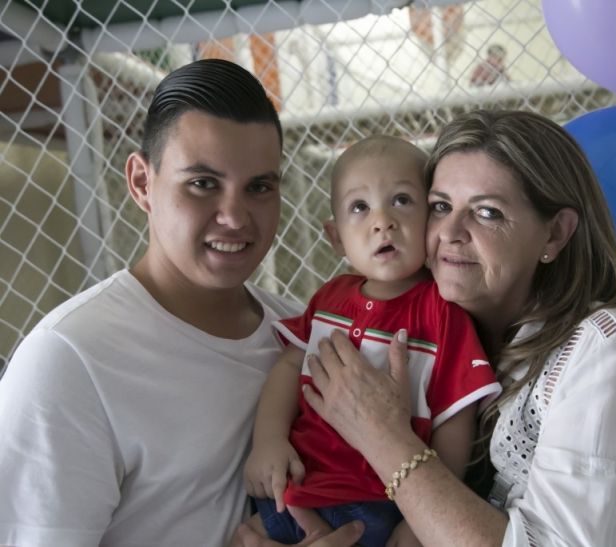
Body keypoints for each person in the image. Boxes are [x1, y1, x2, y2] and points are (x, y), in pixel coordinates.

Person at [237, 109, 616, 547]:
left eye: (487, 212)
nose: (449, 232)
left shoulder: (607, 350)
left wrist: (385, 438)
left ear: (554, 233)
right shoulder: (450, 331)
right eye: (442, 206)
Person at [0, 58, 363, 547]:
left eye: (259, 187)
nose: (235, 217)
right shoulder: (69, 359)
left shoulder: (297, 332)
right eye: (203, 184)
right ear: (142, 183)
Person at [243, 136, 501, 547]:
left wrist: (420, 522)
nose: (382, 221)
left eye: (401, 200)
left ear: (433, 219)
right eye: (360, 207)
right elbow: (290, 367)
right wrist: (268, 440)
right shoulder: (329, 298)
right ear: (337, 237)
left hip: (382, 501)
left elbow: (455, 420)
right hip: (297, 488)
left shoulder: (443, 311)